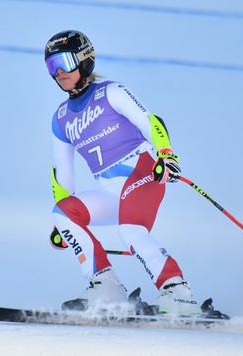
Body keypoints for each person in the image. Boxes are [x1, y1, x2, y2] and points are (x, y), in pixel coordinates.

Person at [45, 30, 199, 315]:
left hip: (142, 172)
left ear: (83, 61)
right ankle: (107, 288)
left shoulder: (111, 92)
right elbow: (62, 172)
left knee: (130, 231)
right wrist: (63, 229)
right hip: (110, 191)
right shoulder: (61, 118)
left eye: (64, 63)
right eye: (51, 67)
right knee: (62, 212)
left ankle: (177, 293)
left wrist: (165, 153)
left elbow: (150, 121)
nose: (59, 73)